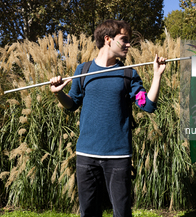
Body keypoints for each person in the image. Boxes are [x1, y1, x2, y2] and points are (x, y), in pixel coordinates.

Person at [49, 19, 167, 217]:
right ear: (108, 39)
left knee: (121, 213)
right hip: (86, 155)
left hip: (118, 156)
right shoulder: (83, 71)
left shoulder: (129, 74)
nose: (128, 45)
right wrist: (58, 93)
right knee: (88, 212)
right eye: (124, 40)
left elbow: (146, 105)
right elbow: (72, 104)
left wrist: (157, 75)